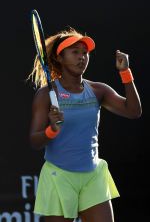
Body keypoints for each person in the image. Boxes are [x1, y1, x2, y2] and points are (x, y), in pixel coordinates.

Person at [28, 27, 142, 222]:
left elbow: (133, 111)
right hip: (59, 176)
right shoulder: (45, 95)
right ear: (60, 58)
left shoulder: (99, 91)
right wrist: (52, 130)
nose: (82, 57)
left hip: (92, 176)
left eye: (85, 53)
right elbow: (35, 141)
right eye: (75, 52)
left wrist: (125, 73)